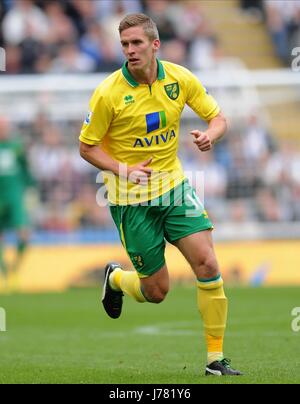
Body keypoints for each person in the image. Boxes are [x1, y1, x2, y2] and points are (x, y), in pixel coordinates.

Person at [79, 13, 241, 376]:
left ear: (155, 45)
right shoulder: (108, 92)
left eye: (137, 43)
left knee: (209, 264)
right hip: (129, 200)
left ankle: (215, 360)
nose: (130, 51)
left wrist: (210, 136)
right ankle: (116, 279)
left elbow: (218, 118)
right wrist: (125, 170)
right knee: (156, 292)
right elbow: (87, 147)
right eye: (124, 44)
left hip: (174, 188)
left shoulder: (180, 79)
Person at [0, 116, 32, 289]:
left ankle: (14, 269)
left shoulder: (16, 147)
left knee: (24, 234)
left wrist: (30, 188)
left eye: (4, 126)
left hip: (14, 196)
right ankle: (4, 275)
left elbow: (27, 170)